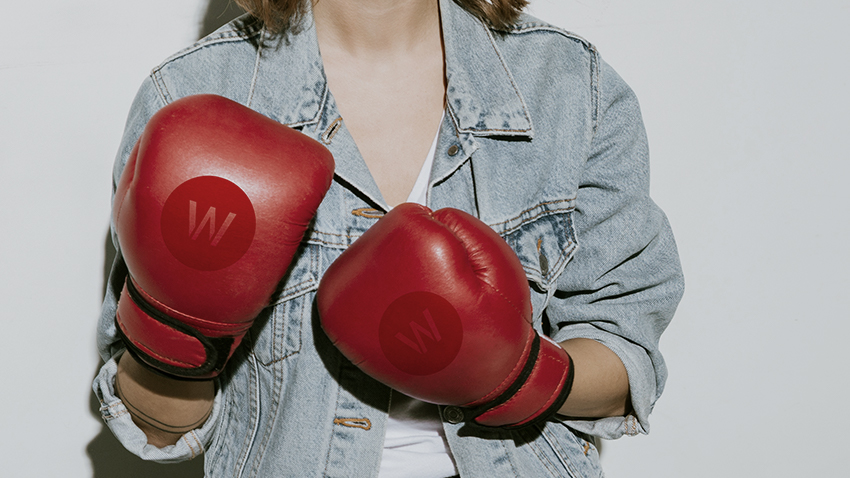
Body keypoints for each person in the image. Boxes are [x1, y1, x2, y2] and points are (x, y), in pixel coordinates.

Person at [93, 0, 685, 476]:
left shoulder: (567, 86)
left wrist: (518, 373)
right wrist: (178, 335)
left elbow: (624, 360)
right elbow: (159, 426)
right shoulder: (195, 94)